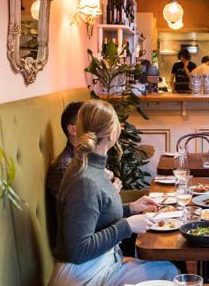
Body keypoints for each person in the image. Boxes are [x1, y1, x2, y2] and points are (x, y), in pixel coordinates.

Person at [50, 100, 178, 285]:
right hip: (83, 274)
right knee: (169, 272)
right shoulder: (85, 180)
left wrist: (131, 208)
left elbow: (95, 214)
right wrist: (127, 226)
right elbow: (77, 250)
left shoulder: (88, 164)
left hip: (101, 263)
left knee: (168, 269)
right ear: (112, 134)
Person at [46, 102, 122, 249]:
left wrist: (131, 208)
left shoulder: (86, 162)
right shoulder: (75, 170)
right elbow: (78, 239)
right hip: (85, 264)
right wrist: (111, 192)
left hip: (104, 251)